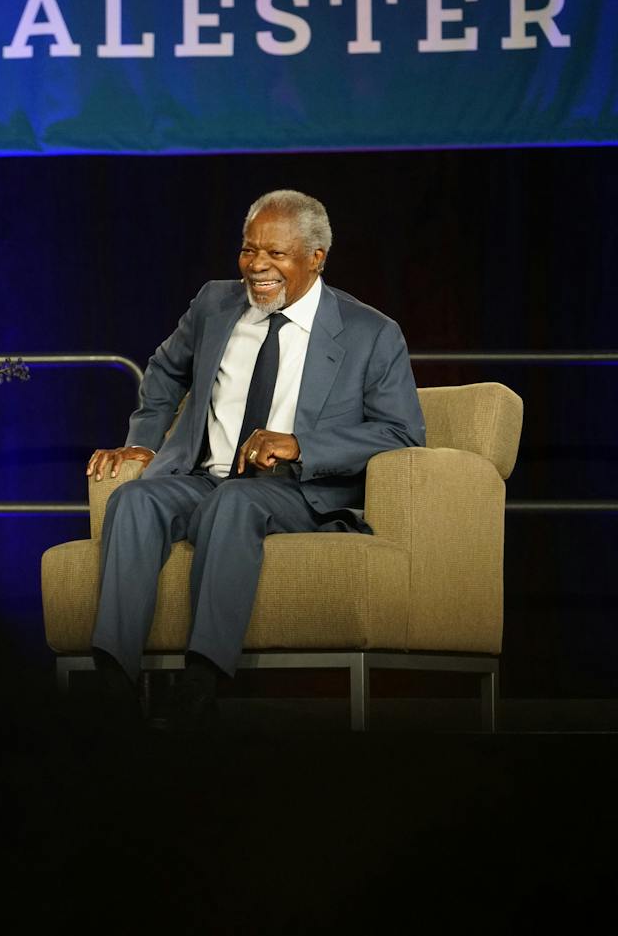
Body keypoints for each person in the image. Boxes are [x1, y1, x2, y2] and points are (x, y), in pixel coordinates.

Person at [86, 190, 425, 730]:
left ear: (317, 258)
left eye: (277, 254)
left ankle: (199, 683)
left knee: (237, 504)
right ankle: (113, 685)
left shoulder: (371, 333)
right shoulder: (214, 304)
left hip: (298, 490)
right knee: (135, 499)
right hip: (205, 477)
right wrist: (146, 440)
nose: (258, 266)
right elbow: (165, 369)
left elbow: (403, 433)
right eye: (249, 251)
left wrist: (303, 445)